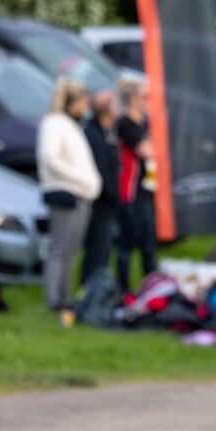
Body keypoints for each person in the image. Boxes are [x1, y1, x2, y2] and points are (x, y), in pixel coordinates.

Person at [37, 78, 101, 327]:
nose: (86, 105)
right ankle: (55, 298)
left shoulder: (69, 125)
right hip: (66, 191)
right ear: (72, 101)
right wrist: (80, 180)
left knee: (70, 250)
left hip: (80, 192)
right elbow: (50, 158)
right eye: (83, 100)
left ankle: (65, 296)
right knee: (60, 248)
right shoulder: (54, 124)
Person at [117, 75, 158, 295]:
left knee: (149, 242)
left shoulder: (145, 122)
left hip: (147, 190)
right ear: (133, 98)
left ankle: (151, 287)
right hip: (130, 192)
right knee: (128, 242)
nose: (147, 100)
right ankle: (123, 289)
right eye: (144, 96)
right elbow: (147, 150)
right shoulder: (126, 123)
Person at [81, 87, 121, 285]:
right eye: (115, 103)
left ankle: (97, 290)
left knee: (103, 250)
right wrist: (114, 194)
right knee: (96, 250)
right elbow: (101, 172)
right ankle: (90, 292)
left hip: (107, 203)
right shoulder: (94, 135)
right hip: (100, 204)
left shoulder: (106, 132)